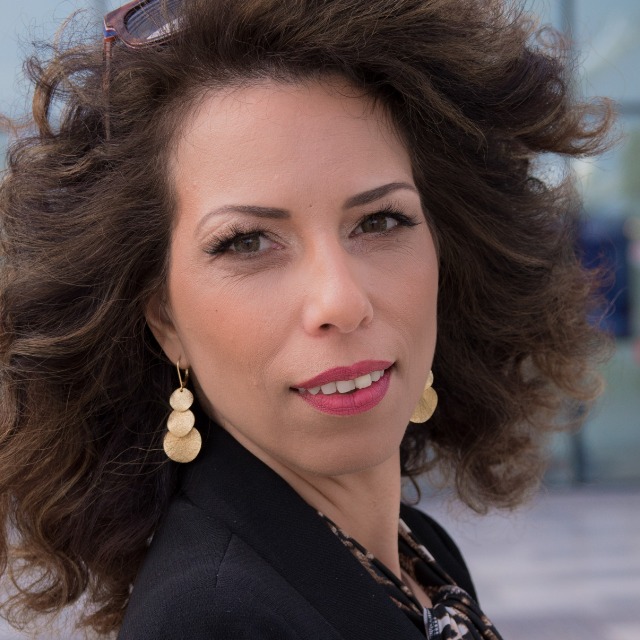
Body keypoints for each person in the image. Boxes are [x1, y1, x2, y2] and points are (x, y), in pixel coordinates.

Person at [0, 0, 613, 638]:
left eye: (380, 221)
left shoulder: (416, 552)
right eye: (247, 242)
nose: (340, 302)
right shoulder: (217, 621)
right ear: (165, 319)